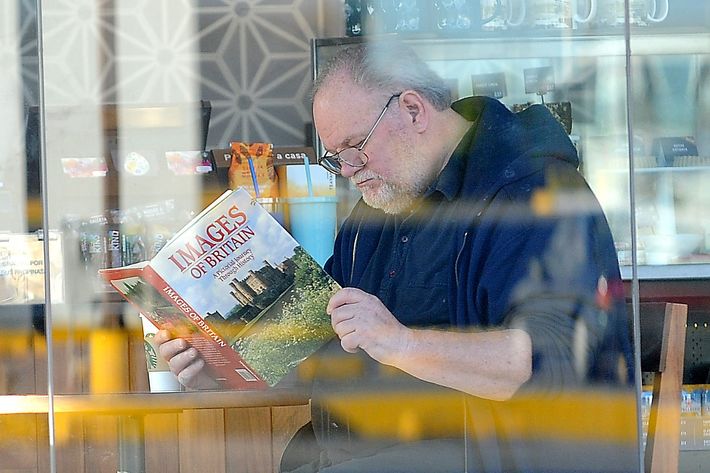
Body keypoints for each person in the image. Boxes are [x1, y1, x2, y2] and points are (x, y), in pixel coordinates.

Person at [155, 41, 636, 473]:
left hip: (494, 453)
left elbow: (542, 367)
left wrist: (400, 342)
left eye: (354, 148)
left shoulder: (534, 194)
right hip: (363, 449)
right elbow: (319, 342)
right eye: (336, 157)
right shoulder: (380, 207)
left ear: (411, 109)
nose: (347, 172)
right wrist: (221, 363)